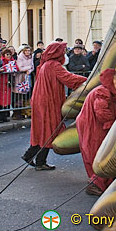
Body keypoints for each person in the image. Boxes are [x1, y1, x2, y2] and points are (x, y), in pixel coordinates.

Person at [22, 42, 86, 170]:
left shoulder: (46, 64)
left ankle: (34, 158)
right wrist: (87, 80)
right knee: (49, 130)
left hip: (42, 101)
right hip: (47, 102)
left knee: (43, 130)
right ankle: (36, 159)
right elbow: (68, 78)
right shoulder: (54, 65)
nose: (64, 53)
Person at [76, 68, 116, 195]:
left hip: (93, 124)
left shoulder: (104, 91)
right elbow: (101, 111)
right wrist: (113, 127)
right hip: (93, 126)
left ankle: (99, 181)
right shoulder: (102, 91)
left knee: (97, 151)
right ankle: (96, 184)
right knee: (99, 151)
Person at [12, 45, 34, 119]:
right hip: (20, 78)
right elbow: (20, 67)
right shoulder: (20, 57)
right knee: (19, 95)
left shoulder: (31, 57)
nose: (28, 52)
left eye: (29, 51)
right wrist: (28, 68)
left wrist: (29, 70)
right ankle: (18, 113)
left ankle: (27, 112)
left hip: (27, 76)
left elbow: (32, 66)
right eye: (26, 51)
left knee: (27, 95)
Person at [0, 48, 14, 122]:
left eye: (9, 54)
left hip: (8, 82)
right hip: (1, 82)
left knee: (6, 100)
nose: (8, 56)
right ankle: (0, 117)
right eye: (7, 54)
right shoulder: (1, 61)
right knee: (0, 100)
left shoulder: (12, 61)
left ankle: (5, 115)